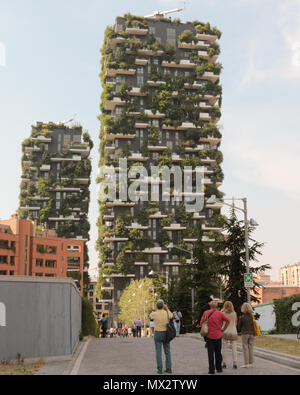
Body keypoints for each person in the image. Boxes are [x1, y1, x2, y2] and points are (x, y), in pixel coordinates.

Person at [200, 300, 230, 375]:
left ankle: (211, 370)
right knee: (218, 352)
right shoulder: (220, 313)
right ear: (217, 306)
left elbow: (201, 323)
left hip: (209, 335)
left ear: (210, 306)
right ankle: (219, 368)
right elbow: (228, 320)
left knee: (210, 353)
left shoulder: (206, 313)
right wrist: (223, 328)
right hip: (218, 335)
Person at [149, 300, 173, 374]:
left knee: (158, 351)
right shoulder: (166, 312)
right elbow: (171, 316)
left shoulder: (154, 313)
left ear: (156, 306)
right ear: (163, 306)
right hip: (166, 334)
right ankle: (168, 368)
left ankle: (160, 369)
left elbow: (150, 316)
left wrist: (155, 309)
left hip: (158, 333)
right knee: (167, 351)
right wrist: (167, 308)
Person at [221, 301, 238, 369]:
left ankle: (224, 363)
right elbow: (235, 323)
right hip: (233, 331)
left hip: (225, 332)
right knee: (234, 348)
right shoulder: (235, 313)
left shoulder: (222, 313)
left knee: (224, 348)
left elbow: (221, 323)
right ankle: (235, 363)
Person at [238, 302, 255, 368]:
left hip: (245, 334)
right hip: (252, 333)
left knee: (245, 348)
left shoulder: (242, 317)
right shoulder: (252, 316)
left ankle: (246, 364)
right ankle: (251, 363)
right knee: (251, 348)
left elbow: (239, 327)